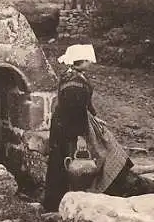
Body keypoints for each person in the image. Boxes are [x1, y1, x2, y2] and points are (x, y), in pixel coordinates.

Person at [42, 44, 134, 213]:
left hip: (72, 122)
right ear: (81, 61)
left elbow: (85, 103)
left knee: (75, 158)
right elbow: (73, 111)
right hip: (69, 127)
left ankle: (85, 192)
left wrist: (95, 115)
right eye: (88, 60)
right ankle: (63, 202)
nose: (90, 63)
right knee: (70, 160)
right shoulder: (73, 84)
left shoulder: (76, 76)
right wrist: (80, 137)